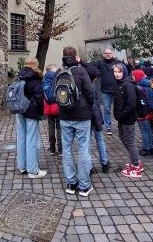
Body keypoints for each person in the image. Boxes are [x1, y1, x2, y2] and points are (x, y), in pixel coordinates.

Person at [59, 46, 96, 196]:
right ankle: (84, 185)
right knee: (83, 149)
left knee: (66, 149)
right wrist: (88, 107)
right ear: (75, 57)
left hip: (65, 116)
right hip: (82, 116)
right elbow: (90, 93)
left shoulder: (60, 72)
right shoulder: (81, 71)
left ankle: (71, 183)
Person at [16, 57, 47, 179]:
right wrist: (41, 113)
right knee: (32, 140)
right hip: (32, 112)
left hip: (20, 111)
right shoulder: (36, 78)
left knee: (21, 138)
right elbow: (39, 98)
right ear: (35, 65)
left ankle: (22, 166)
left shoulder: (20, 76)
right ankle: (33, 170)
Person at [113, 64, 143, 178]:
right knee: (123, 138)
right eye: (115, 71)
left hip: (127, 118)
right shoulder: (119, 83)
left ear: (124, 72)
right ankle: (136, 160)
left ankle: (136, 166)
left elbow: (131, 104)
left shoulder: (128, 85)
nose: (117, 74)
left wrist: (122, 115)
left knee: (130, 141)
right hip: (121, 118)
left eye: (119, 72)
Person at [89, 49, 127, 135]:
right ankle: (108, 127)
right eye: (106, 53)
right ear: (104, 54)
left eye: (109, 53)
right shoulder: (100, 63)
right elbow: (90, 66)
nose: (108, 54)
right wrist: (80, 61)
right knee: (106, 108)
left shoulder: (117, 62)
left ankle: (121, 125)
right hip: (105, 90)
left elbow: (126, 70)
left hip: (117, 89)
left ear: (112, 54)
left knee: (120, 107)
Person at [132, 69, 153, 157]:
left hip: (142, 112)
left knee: (144, 131)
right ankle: (150, 149)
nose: (132, 77)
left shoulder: (139, 87)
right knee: (148, 130)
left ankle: (146, 150)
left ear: (137, 77)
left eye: (133, 76)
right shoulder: (149, 85)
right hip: (148, 112)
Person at [43, 64, 61, 155]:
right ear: (53, 70)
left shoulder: (44, 80)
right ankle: (61, 149)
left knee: (51, 129)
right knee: (59, 128)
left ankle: (52, 149)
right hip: (58, 107)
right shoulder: (57, 78)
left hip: (49, 108)